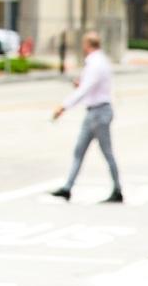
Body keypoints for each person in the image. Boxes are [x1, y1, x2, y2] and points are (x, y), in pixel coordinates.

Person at [50, 31, 123, 203]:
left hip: (98, 113)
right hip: (96, 112)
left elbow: (85, 89)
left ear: (87, 45)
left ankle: (118, 190)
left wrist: (63, 106)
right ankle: (67, 187)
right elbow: (89, 85)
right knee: (79, 151)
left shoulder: (95, 63)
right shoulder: (100, 61)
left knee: (106, 153)